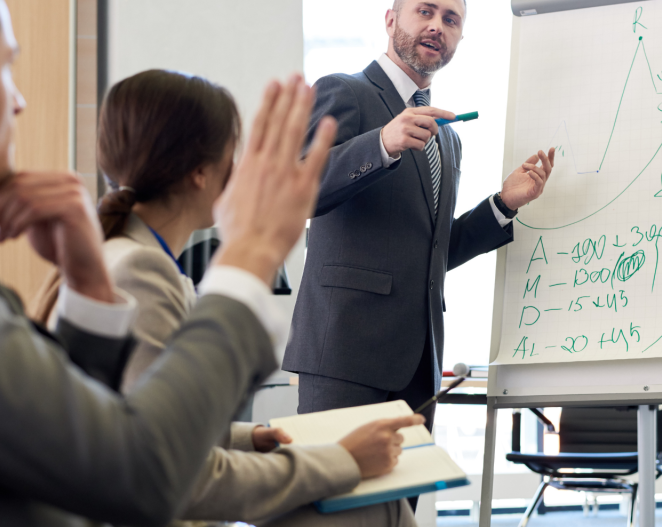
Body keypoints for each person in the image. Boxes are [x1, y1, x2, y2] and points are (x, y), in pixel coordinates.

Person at [0, 0, 343, 525]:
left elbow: (62, 440)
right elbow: (138, 474)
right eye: (7, 70)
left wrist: (90, 286)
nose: (19, 100)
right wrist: (247, 259)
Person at [34, 69, 420, 526]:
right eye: (231, 156)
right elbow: (179, 476)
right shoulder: (141, 271)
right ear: (201, 173)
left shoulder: (127, 258)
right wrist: (343, 462)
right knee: (377, 502)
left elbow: (139, 423)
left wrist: (248, 437)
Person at [284, 0, 557, 432]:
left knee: (400, 507)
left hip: (418, 367)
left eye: (450, 20)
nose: (437, 26)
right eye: (424, 12)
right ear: (391, 21)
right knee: (334, 500)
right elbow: (297, 193)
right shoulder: (343, 91)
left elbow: (432, 253)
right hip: (344, 356)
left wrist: (503, 204)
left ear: (458, 39)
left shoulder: (445, 140)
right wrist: (381, 145)